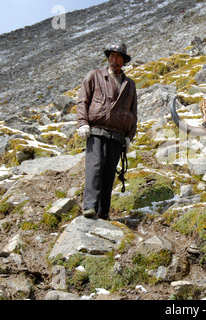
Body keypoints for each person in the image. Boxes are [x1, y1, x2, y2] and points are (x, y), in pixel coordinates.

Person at [76, 43, 137, 220]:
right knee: (95, 168)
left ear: (124, 61)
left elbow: (133, 113)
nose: (114, 60)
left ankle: (103, 211)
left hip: (117, 135)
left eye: (118, 57)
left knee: (109, 172)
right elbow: (82, 101)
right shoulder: (94, 76)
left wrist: (128, 137)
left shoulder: (130, 85)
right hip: (95, 131)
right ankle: (90, 206)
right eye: (111, 56)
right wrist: (82, 123)